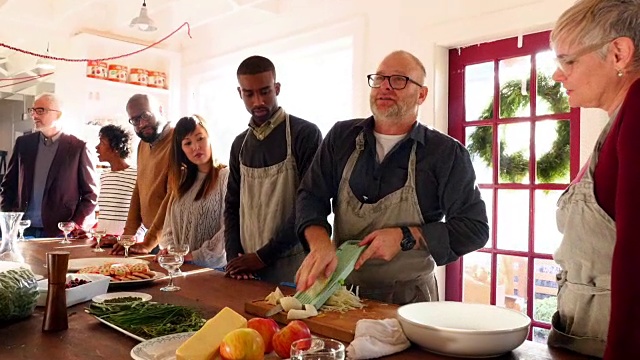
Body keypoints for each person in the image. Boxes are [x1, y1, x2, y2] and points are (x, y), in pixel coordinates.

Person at [295, 50, 489, 305]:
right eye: (379, 78)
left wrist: (406, 236)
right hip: (340, 293)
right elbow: (311, 194)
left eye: (399, 80)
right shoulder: (341, 137)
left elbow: (475, 229)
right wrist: (319, 241)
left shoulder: (446, 154)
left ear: (422, 94)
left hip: (409, 300)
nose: (385, 87)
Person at [547, 1, 640, 358]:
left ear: (619, 53)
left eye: (568, 61)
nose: (558, 75)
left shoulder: (639, 112)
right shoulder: (616, 123)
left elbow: (637, 262)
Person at [224, 55, 323, 284]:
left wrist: (262, 256)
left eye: (265, 91)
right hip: (248, 268)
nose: (258, 101)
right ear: (240, 94)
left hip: (293, 265)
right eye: (249, 94)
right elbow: (231, 206)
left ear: (277, 88)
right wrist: (233, 258)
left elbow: (308, 205)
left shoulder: (305, 134)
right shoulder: (240, 145)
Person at [0, 93, 98, 237]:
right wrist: (7, 220)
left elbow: (90, 195)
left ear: (58, 115)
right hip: (21, 229)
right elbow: (8, 186)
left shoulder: (78, 147)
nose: (34, 115)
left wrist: (75, 223)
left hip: (59, 231)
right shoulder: (23, 144)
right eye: (32, 110)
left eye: (40, 110)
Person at [157, 115, 228, 269]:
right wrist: (169, 252)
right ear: (181, 149)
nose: (196, 147)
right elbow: (169, 227)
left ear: (210, 138)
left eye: (200, 138)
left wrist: (193, 256)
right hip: (181, 267)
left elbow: (228, 230)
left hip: (213, 271)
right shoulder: (181, 181)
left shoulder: (225, 177)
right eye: (187, 143)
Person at [110, 94, 173, 255]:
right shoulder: (143, 145)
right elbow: (139, 188)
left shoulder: (178, 139)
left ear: (160, 110)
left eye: (145, 115)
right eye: (135, 120)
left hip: (173, 240)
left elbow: (173, 196)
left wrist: (149, 242)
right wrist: (128, 236)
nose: (142, 124)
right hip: (152, 238)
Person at [94, 124, 136, 235]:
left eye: (102, 143)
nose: (97, 147)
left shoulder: (137, 175)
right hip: (102, 243)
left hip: (123, 246)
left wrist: (122, 240)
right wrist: (91, 232)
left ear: (116, 147)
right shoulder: (104, 176)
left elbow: (140, 217)